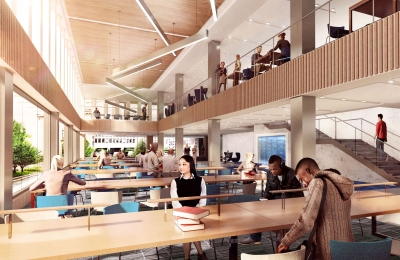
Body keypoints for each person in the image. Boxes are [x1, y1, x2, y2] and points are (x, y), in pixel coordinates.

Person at [277, 158, 354, 259]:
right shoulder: (339, 186)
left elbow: (306, 220)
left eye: (301, 179)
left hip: (328, 249)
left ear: (308, 170)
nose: (303, 184)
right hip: (348, 246)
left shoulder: (317, 182)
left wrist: (286, 241)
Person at [239, 155, 303, 245]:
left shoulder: (291, 173)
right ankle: (255, 237)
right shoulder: (269, 173)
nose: (272, 171)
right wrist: (263, 200)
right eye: (271, 169)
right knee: (257, 209)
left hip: (289, 200)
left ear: (282, 166)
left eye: (275, 169)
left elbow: (298, 193)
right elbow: (268, 189)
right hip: (275, 199)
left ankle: (283, 237)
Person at [170, 155, 208, 260]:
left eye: (184, 164)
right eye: (179, 164)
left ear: (190, 165)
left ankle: (188, 258)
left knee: (191, 229)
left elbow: (202, 199)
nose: (181, 167)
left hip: (196, 212)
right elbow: (175, 201)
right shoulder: (175, 181)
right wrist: (186, 214)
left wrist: (197, 213)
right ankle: (201, 254)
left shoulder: (200, 180)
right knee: (189, 230)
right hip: (181, 213)